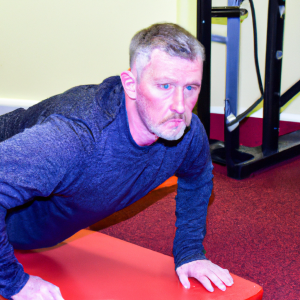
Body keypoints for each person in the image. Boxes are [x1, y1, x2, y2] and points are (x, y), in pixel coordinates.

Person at [0, 23, 233, 300]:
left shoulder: (187, 131)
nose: (180, 106)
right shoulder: (73, 139)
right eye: (165, 85)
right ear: (130, 85)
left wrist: (190, 251)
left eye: (191, 87)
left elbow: (197, 177)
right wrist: (12, 282)